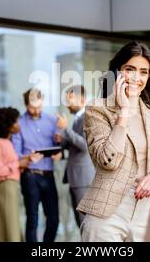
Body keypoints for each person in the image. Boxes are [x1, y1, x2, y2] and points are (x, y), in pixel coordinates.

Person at [77, 41, 150, 242]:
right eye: (130, 69)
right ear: (118, 71)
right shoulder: (97, 110)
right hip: (108, 211)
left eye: (143, 72)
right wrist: (124, 113)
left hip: (145, 210)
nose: (137, 78)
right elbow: (107, 160)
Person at [12, 88, 63, 242]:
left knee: (54, 219)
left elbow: (59, 146)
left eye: (39, 107)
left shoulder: (52, 121)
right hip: (30, 176)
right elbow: (16, 154)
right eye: (32, 107)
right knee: (32, 219)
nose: (36, 110)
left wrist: (59, 153)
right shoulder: (19, 125)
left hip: (48, 175)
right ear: (26, 105)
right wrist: (28, 158)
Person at [0, 107, 43, 242]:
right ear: (7, 125)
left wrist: (27, 159)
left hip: (11, 188)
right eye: (15, 122)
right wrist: (18, 164)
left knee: (12, 230)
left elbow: (10, 165)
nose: (18, 125)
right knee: (11, 231)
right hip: (5, 189)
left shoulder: (7, 142)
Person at [55, 85, 95, 229]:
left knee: (85, 222)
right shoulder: (77, 119)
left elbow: (85, 146)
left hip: (83, 179)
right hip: (76, 178)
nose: (67, 104)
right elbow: (74, 143)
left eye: (70, 100)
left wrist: (65, 129)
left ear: (82, 100)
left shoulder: (88, 117)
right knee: (81, 223)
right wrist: (62, 140)